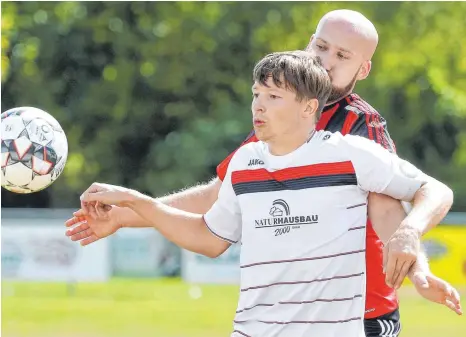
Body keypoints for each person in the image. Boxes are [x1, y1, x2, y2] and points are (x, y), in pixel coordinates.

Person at [66, 9, 463, 337]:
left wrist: (419, 270)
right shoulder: (272, 125)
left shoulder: (359, 131)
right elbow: (215, 199)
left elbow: (388, 209)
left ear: (363, 69)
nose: (326, 60)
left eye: (342, 56)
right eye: (321, 46)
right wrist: (124, 215)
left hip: (358, 314)